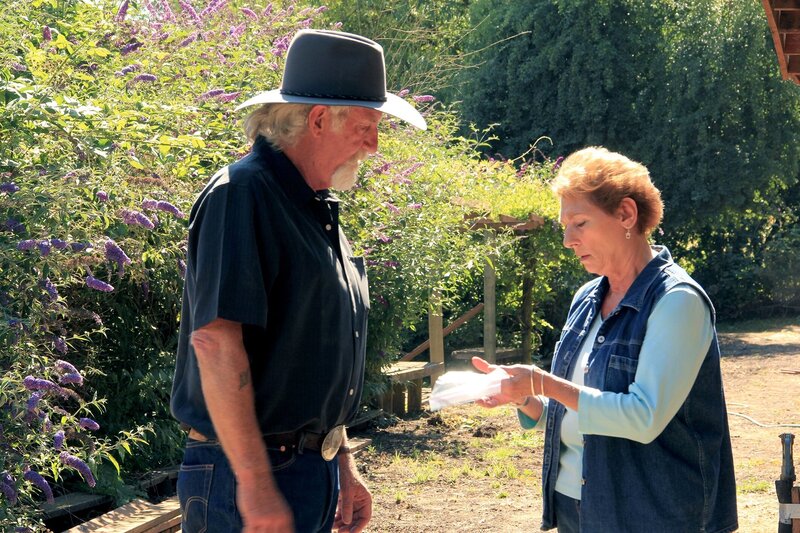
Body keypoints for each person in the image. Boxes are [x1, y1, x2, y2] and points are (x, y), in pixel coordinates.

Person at [170, 29, 426, 533]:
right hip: (247, 476)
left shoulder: (316, 208)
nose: (374, 146)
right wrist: (257, 486)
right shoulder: (242, 194)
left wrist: (341, 462)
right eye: (368, 126)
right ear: (318, 119)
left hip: (305, 470)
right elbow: (217, 343)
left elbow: (314, 357)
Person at [473, 147, 738, 532]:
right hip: (576, 504)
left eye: (579, 223)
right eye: (565, 225)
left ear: (626, 214)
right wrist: (527, 398)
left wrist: (542, 381)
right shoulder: (586, 298)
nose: (567, 239)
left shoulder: (677, 301)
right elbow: (580, 413)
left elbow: (643, 417)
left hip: (653, 515)